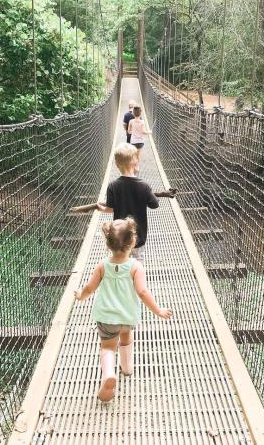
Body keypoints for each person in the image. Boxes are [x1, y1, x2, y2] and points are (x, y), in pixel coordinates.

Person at [74, 218, 172, 402]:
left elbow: (90, 288)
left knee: (108, 347)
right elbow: (142, 292)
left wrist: (81, 295)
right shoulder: (136, 267)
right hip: (128, 316)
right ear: (133, 241)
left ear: (108, 244)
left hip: (106, 317)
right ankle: (127, 368)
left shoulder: (102, 266)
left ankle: (109, 374)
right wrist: (158, 310)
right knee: (126, 338)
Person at [97, 143, 158, 263]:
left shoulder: (113, 186)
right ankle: (137, 279)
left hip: (120, 236)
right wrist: (150, 194)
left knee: (121, 262)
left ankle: (123, 279)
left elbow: (110, 209)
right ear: (136, 163)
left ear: (117, 164)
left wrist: (101, 208)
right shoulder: (144, 186)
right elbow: (154, 204)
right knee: (138, 263)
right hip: (138, 236)